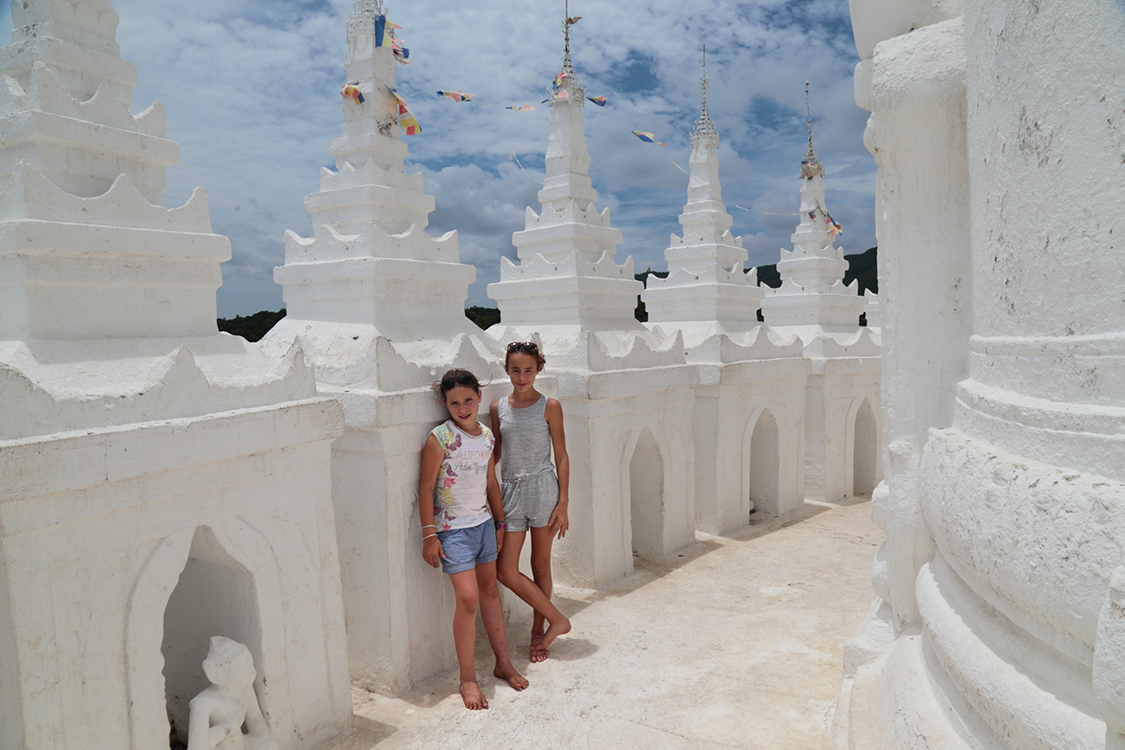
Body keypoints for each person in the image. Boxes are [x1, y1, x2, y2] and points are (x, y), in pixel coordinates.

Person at [418, 369, 528, 710]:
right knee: (468, 599)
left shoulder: (487, 437)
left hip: (483, 525)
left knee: (491, 591)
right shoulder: (441, 438)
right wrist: (429, 536)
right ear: (445, 404)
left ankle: (503, 663)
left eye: (468, 400)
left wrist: (499, 523)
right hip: (452, 531)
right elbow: (424, 488)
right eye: (454, 402)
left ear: (479, 396)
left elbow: (490, 483)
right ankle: (467, 678)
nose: (462, 407)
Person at [491, 341, 572, 663]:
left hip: (543, 490)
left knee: (540, 565)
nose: (522, 376)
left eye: (528, 370)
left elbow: (562, 456)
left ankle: (539, 634)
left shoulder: (549, 406)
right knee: (506, 570)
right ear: (506, 370)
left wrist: (563, 503)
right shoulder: (498, 408)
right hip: (511, 491)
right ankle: (558, 619)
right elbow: (497, 453)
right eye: (515, 370)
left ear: (539, 369)